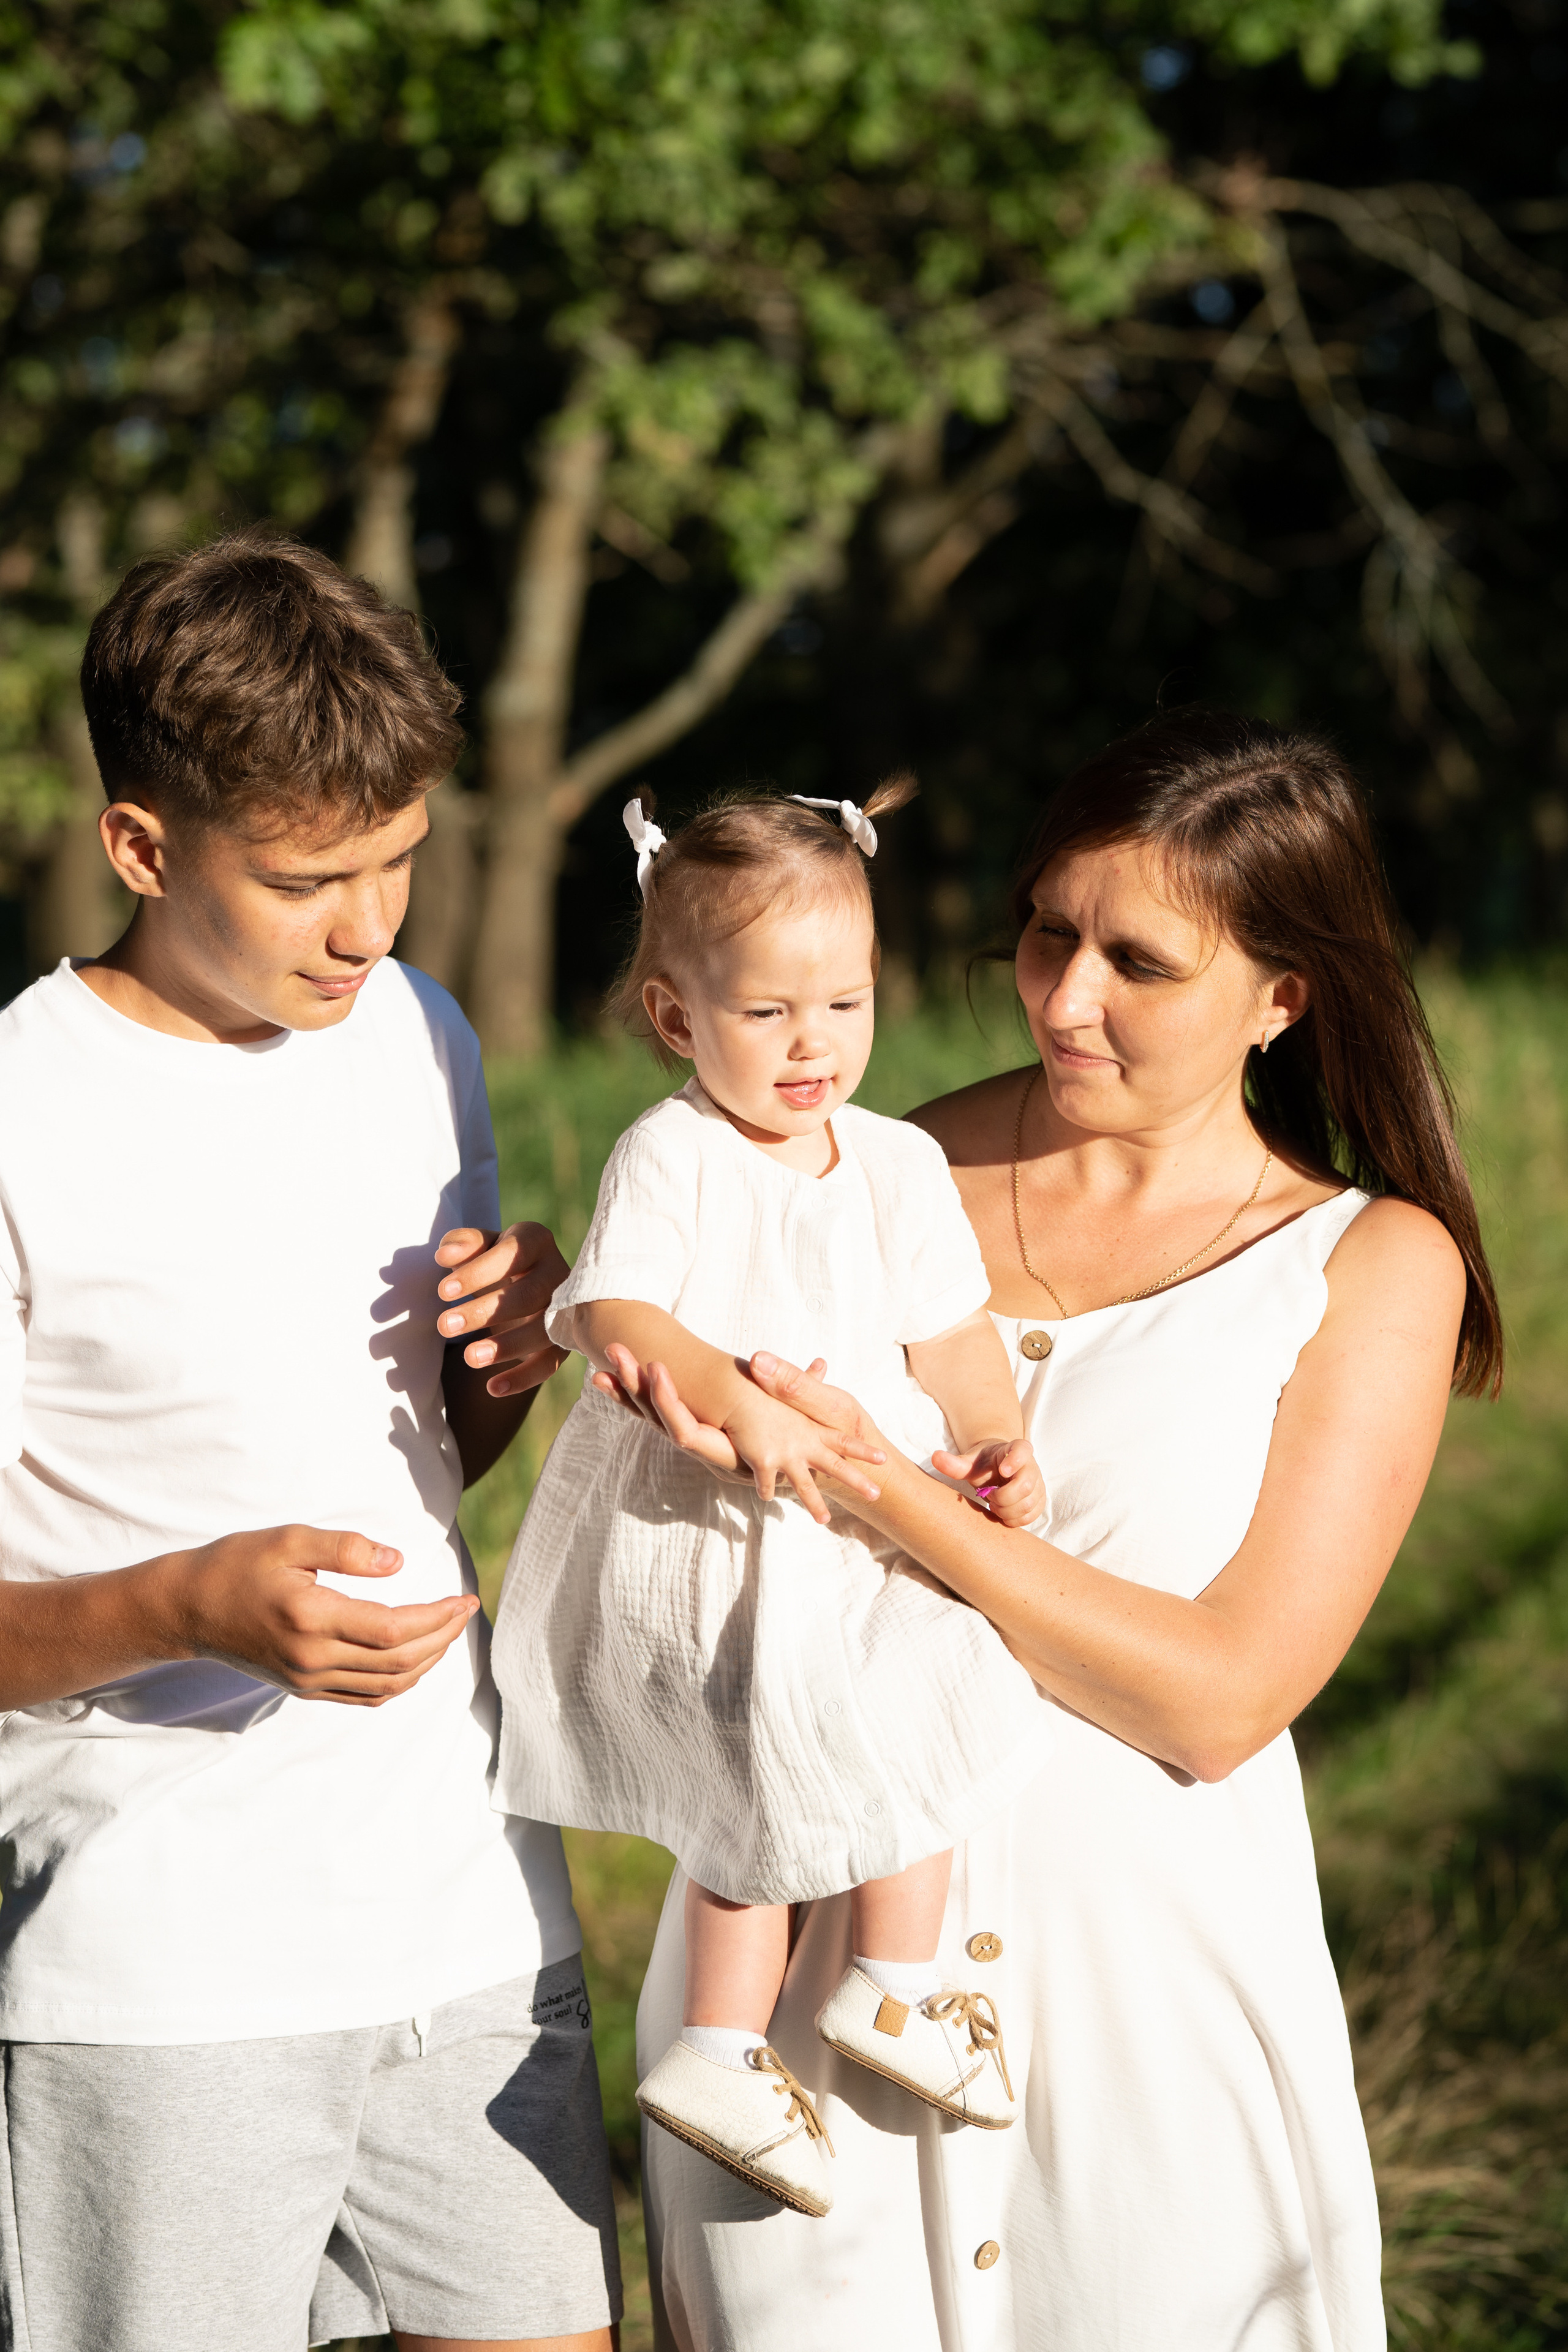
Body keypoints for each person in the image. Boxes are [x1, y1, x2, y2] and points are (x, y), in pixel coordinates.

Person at [595, 712, 1500, 2351]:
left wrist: (883, 1486)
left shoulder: (1368, 1265)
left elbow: (1219, 1699)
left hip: (1145, 2016)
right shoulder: (865, 1168)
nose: (1063, 997)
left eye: (1136, 962)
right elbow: (653, 1423)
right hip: (804, 2005)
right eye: (1046, 933)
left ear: (1282, 998)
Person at [0, 530, 621, 2352]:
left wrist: (515, 1349)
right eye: (304, 881)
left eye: (400, 859)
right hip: (160, 1968)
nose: (369, 927)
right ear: (141, 847)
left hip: (474, 1903)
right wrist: (191, 1606)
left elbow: (424, 1470)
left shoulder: (418, 1032)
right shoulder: (22, 1107)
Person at [481, 785, 1049, 2220]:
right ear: (676, 1019)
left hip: (852, 1522)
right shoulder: (672, 1152)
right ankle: (749, 2037)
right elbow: (613, 1310)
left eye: (845, 1005)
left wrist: (993, 1436)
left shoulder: (898, 1162)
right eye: (767, 1013)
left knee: (933, 1679)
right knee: (752, 1778)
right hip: (714, 1534)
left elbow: (951, 1332)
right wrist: (728, 1400)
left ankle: (872, 1989)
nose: (814, 1046)